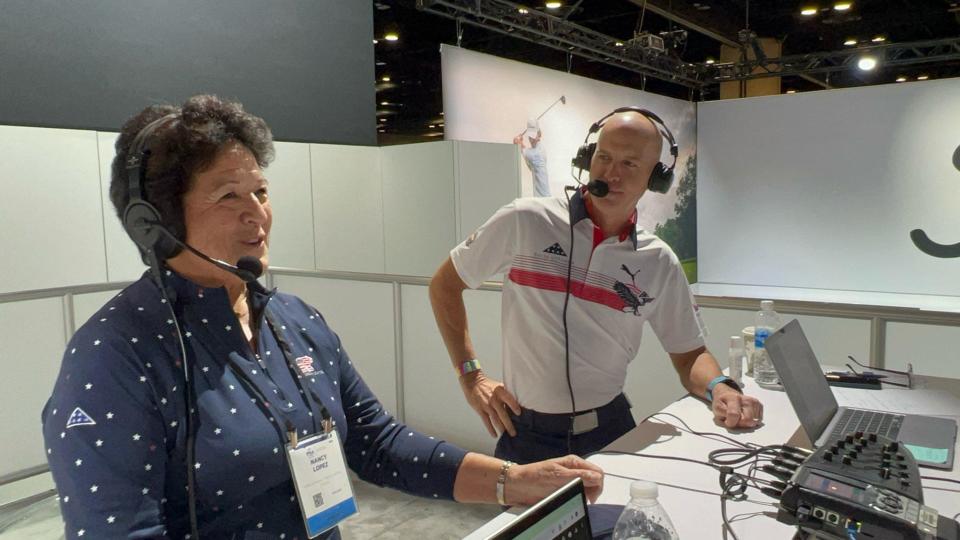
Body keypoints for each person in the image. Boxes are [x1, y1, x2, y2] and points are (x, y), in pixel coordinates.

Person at [41, 95, 603, 540]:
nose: (256, 212)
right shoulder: (116, 353)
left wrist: (513, 481)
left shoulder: (292, 318)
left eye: (261, 191)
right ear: (153, 223)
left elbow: (375, 442)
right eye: (228, 195)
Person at [429, 110, 764, 464]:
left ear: (655, 177)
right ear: (588, 159)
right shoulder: (525, 220)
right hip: (526, 434)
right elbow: (444, 286)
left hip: (611, 430)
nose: (611, 174)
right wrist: (471, 376)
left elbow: (689, 354)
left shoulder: (658, 260)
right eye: (603, 157)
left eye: (630, 164)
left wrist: (719, 388)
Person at [513, 119, 550, 197]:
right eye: (530, 136)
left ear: (539, 134)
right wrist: (520, 143)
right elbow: (530, 165)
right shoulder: (539, 149)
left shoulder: (538, 153)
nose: (531, 139)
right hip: (541, 198)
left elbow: (527, 153)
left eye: (534, 135)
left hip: (543, 199)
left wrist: (519, 142)